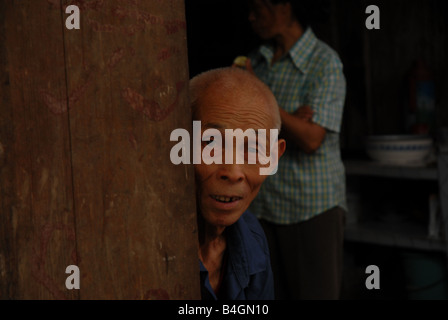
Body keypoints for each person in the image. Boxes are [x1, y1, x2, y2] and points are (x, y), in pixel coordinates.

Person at [242, 0, 347, 299]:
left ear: (284, 7)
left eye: (257, 8)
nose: (251, 17)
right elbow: (244, 128)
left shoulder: (324, 62)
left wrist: (265, 101)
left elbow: (312, 139)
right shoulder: (257, 61)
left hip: (311, 206)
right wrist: (289, 117)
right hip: (264, 205)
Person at [189, 67, 286, 300]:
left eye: (253, 149)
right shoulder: (143, 241)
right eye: (211, 144)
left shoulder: (251, 237)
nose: (233, 173)